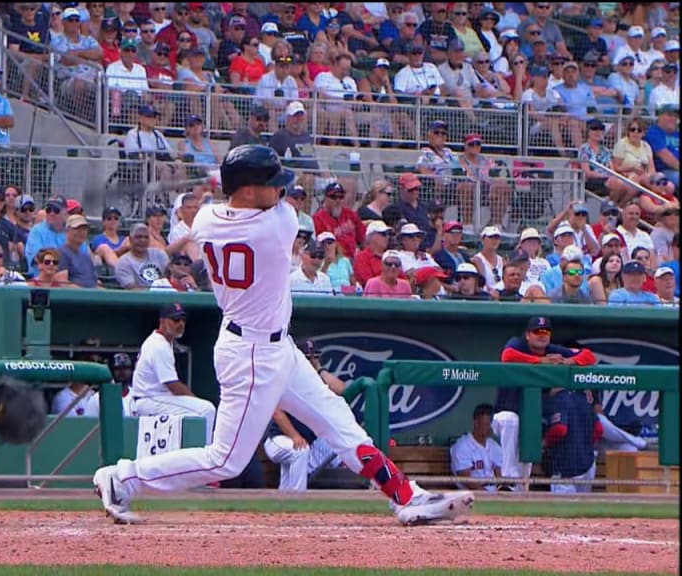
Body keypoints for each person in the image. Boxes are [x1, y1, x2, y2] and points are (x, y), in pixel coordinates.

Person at [92, 145, 474, 525]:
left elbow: (221, 203)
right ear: (245, 189)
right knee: (225, 459)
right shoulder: (278, 223)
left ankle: (405, 496)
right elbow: (264, 204)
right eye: (271, 183)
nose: (281, 191)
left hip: (274, 346)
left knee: (338, 421)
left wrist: (229, 182)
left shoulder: (207, 219)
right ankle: (121, 478)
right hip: (251, 352)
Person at [495, 316, 596, 492]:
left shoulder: (553, 350)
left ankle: (517, 490)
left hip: (532, 417)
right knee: (511, 420)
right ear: (527, 335)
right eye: (537, 332)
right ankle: (509, 478)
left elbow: (588, 355)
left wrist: (569, 361)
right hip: (506, 414)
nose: (542, 335)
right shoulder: (518, 344)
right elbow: (507, 355)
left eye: (545, 332)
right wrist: (541, 362)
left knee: (525, 467)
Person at [263, 339, 346, 492]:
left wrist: (319, 369)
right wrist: (294, 435)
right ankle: (297, 498)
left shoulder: (314, 382)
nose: (310, 361)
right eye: (307, 357)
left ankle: (283, 504)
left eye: (313, 357)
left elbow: (342, 390)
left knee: (295, 460)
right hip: (277, 440)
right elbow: (276, 412)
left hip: (299, 441)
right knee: (299, 451)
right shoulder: (286, 378)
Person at [130, 304, 217, 445]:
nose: (180, 324)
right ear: (162, 321)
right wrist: (194, 399)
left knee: (200, 408)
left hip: (156, 398)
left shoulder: (162, 341)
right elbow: (173, 385)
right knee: (206, 409)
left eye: (183, 320)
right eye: (175, 320)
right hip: (150, 399)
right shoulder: (159, 346)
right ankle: (206, 456)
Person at [450, 404, 503, 492]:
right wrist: (486, 495)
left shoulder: (494, 446)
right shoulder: (462, 446)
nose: (489, 428)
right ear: (476, 423)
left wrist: (501, 493)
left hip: (494, 494)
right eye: (486, 424)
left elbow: (499, 476)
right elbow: (466, 480)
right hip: (470, 495)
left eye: (490, 424)